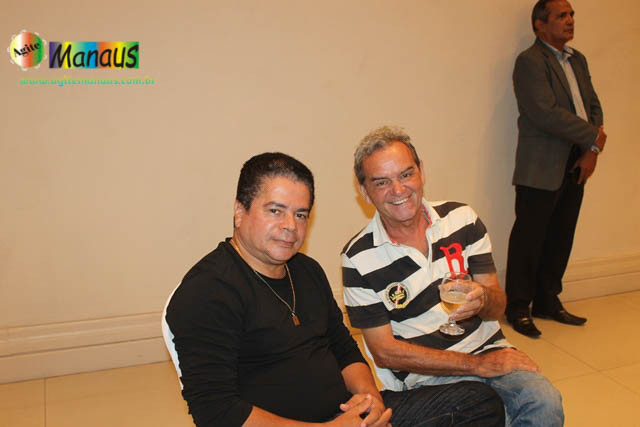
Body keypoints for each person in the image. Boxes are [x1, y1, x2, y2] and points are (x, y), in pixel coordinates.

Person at [163, 152, 505, 426]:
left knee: (479, 402)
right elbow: (216, 411)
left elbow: (344, 349)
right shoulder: (208, 292)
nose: (289, 226)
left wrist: (370, 400)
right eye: (275, 211)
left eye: (300, 215)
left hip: (348, 416)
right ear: (240, 212)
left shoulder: (306, 270)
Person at [342, 126, 563, 426]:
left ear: (421, 172)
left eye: (406, 174)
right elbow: (385, 353)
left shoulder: (462, 220)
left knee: (545, 403)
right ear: (364, 191)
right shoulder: (357, 258)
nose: (398, 190)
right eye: (382, 182)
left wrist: (484, 300)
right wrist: (477, 366)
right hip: (426, 377)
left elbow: (498, 306)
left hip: (489, 350)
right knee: (483, 412)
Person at [505, 0, 606, 337]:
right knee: (529, 237)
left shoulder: (578, 59)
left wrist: (591, 148)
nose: (570, 20)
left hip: (578, 159)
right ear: (539, 24)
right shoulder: (530, 61)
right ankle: (519, 307)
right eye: (562, 15)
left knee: (561, 234)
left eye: (571, 14)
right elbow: (544, 112)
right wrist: (594, 136)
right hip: (541, 164)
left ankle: (548, 301)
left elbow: (592, 106)